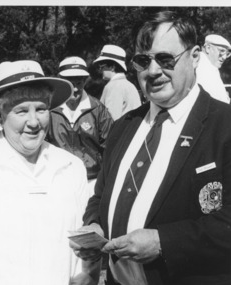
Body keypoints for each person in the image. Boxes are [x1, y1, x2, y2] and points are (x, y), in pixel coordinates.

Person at [71, 11, 231, 285]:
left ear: (194, 57)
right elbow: (100, 196)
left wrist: (163, 242)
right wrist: (95, 223)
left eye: (166, 59)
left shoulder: (224, 125)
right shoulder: (124, 126)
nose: (153, 71)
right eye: (143, 60)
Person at [0, 60, 101, 285]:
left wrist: (87, 274)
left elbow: (84, 243)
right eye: (21, 111)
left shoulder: (70, 166)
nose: (33, 122)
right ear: (0, 116)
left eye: (41, 109)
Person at [47, 56, 113, 196]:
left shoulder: (98, 110)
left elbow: (111, 147)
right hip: (58, 182)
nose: (75, 89)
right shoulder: (50, 110)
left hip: (91, 182)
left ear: (85, 81)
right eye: (70, 84)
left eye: (79, 83)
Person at [93, 44, 142, 120]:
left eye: (102, 67)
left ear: (112, 67)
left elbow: (110, 120)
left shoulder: (113, 86)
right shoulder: (129, 85)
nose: (100, 70)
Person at [196, 34, 231, 103]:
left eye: (227, 54)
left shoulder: (210, 65)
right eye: (221, 51)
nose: (224, 57)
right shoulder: (202, 67)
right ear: (208, 48)